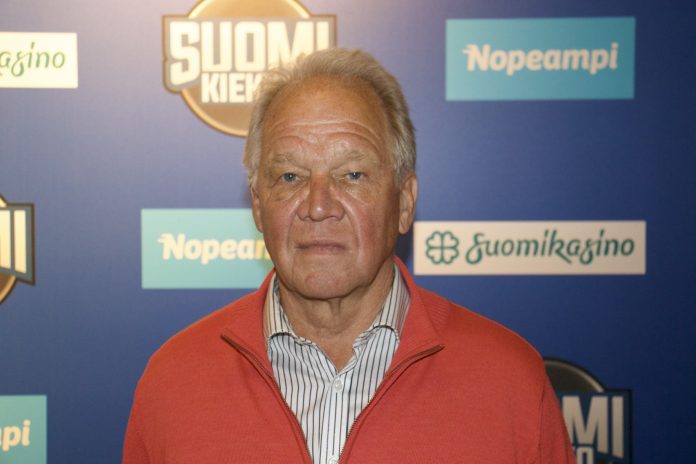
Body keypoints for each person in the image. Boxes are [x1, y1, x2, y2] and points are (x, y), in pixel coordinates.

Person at [123, 48, 575, 464]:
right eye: (290, 176)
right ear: (258, 206)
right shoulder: (172, 382)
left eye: (353, 174)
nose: (319, 206)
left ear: (404, 202)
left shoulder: (509, 381)